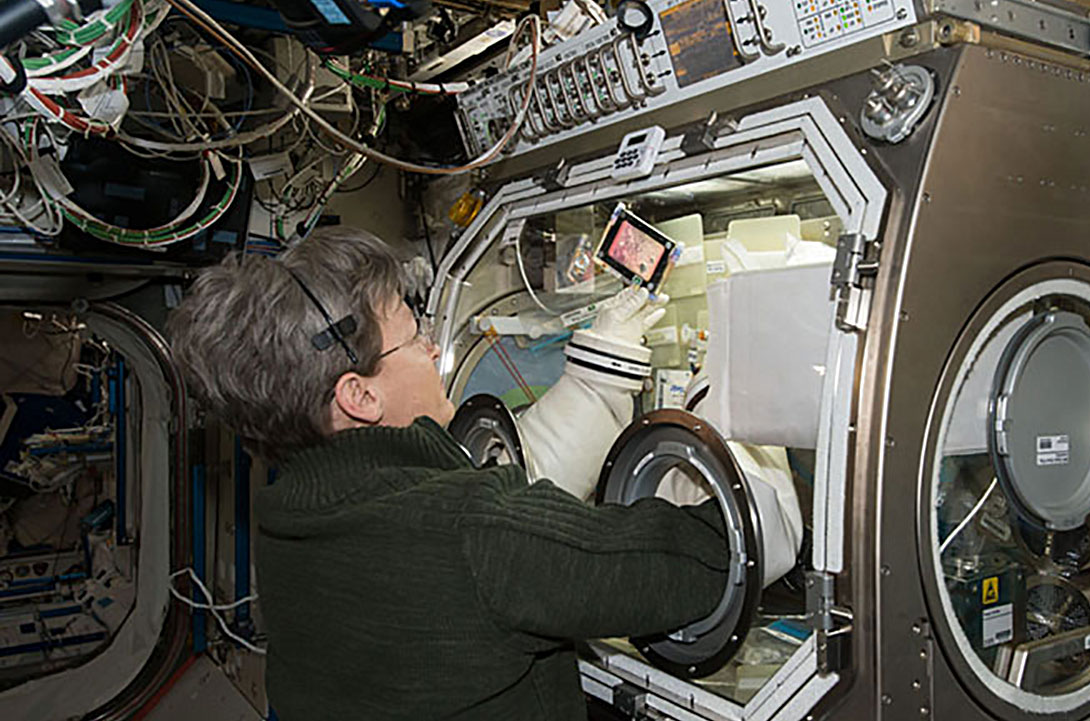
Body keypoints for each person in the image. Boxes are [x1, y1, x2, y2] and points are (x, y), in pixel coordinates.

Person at [168, 226, 729, 721]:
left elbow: (501, 525)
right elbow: (707, 561)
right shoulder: (472, 530)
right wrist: (742, 415)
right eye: (414, 337)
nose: (434, 349)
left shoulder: (289, 517)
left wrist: (603, 363)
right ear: (359, 395)